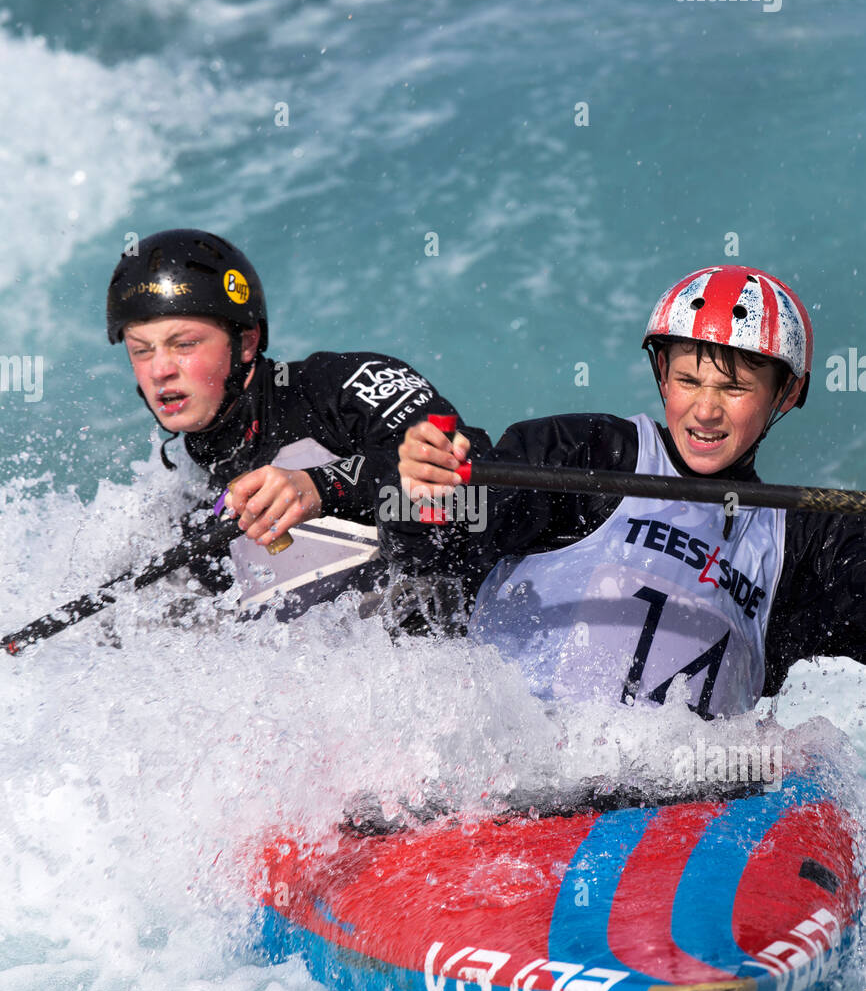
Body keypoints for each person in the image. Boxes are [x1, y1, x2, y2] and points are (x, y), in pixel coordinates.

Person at [384, 264, 865, 719]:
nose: (705, 410)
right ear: (662, 373)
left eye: (734, 389)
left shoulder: (804, 541)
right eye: (688, 381)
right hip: (513, 769)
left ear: (786, 393)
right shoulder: (588, 454)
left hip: (682, 797)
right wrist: (429, 492)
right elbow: (438, 546)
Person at [107, 228, 486, 623]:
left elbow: (472, 477)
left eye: (184, 344)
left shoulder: (340, 389)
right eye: (141, 350)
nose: (161, 370)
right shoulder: (183, 500)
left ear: (248, 342)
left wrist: (322, 486)